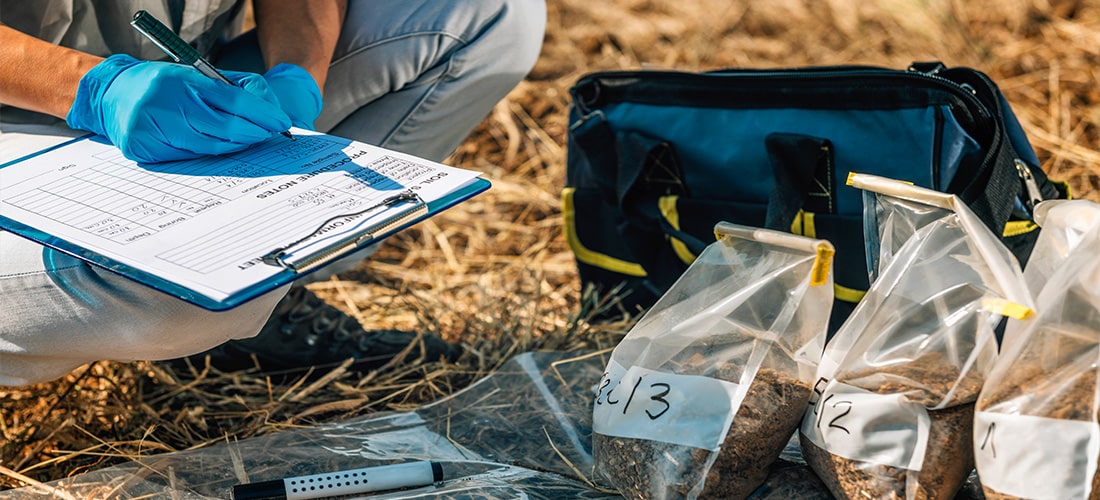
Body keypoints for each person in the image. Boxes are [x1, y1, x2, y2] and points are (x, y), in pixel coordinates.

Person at [0, 0, 546, 385]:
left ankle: (259, 311)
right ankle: (215, 315)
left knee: (483, 10)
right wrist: (88, 86)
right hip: (18, 128)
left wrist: (299, 71)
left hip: (186, 98)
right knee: (193, 288)